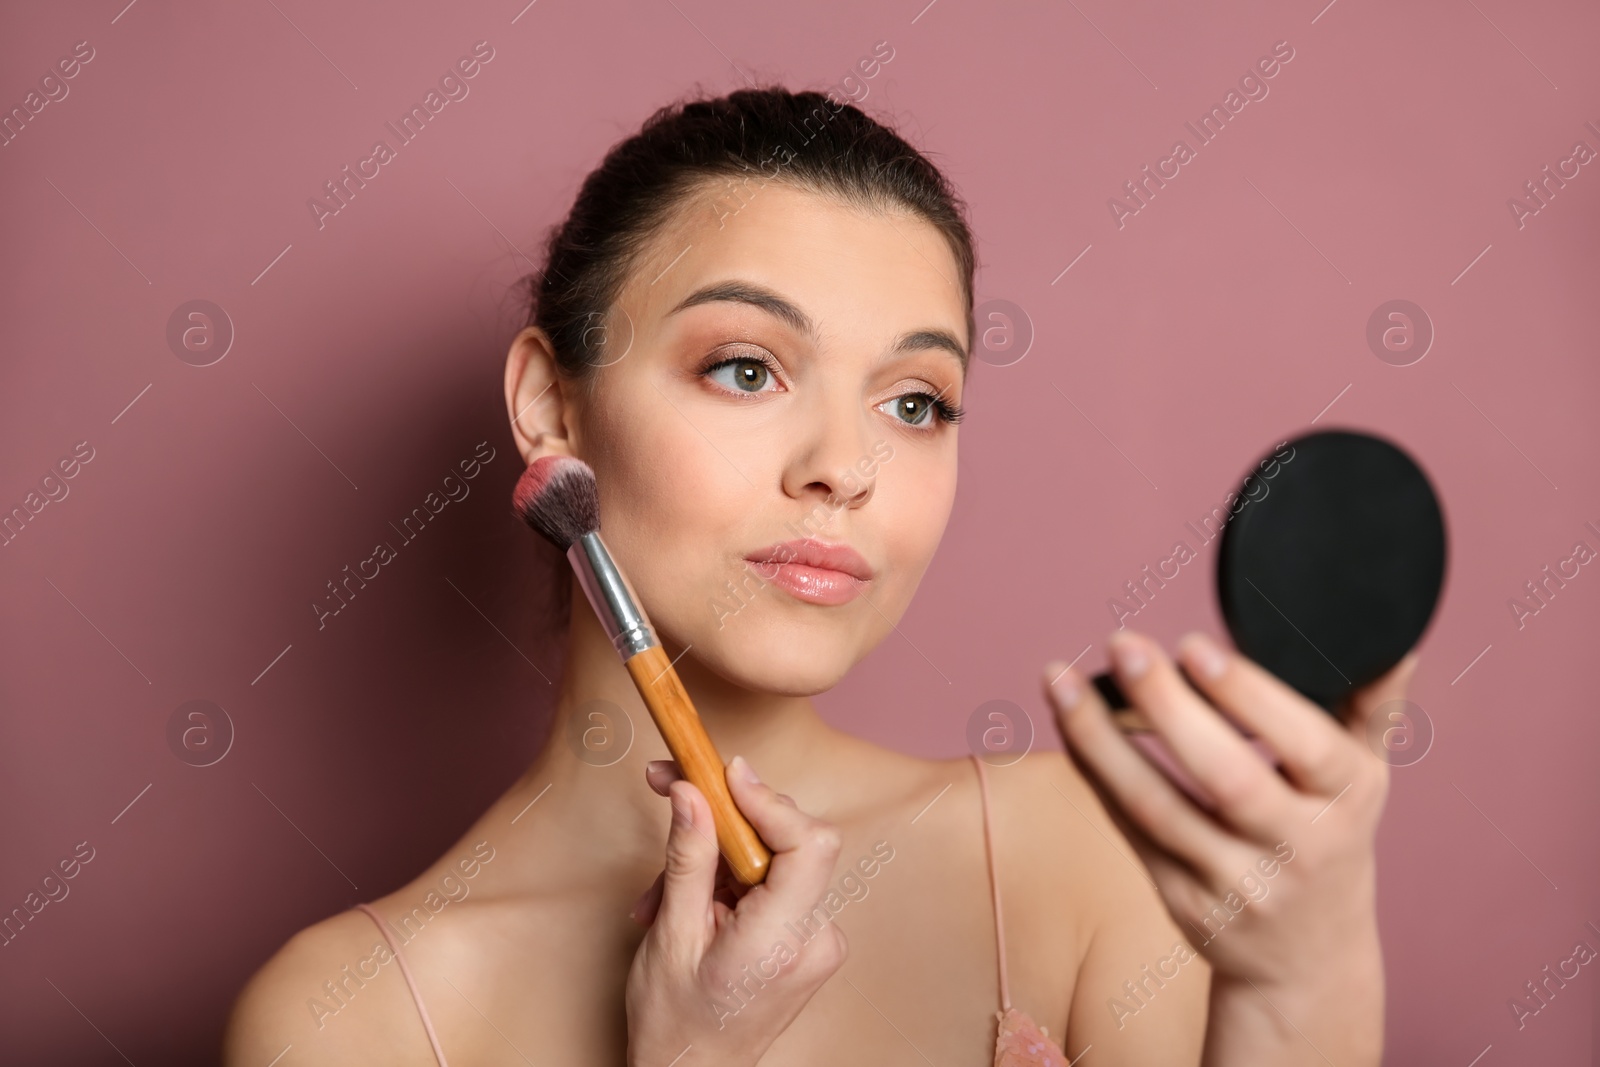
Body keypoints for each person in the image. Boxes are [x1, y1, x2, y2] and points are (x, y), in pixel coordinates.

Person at [223, 85, 1417, 1066]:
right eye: (746, 368)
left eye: (915, 401)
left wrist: (1308, 969)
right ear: (550, 404)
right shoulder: (351, 1015)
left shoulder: (1070, 856)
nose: (845, 468)